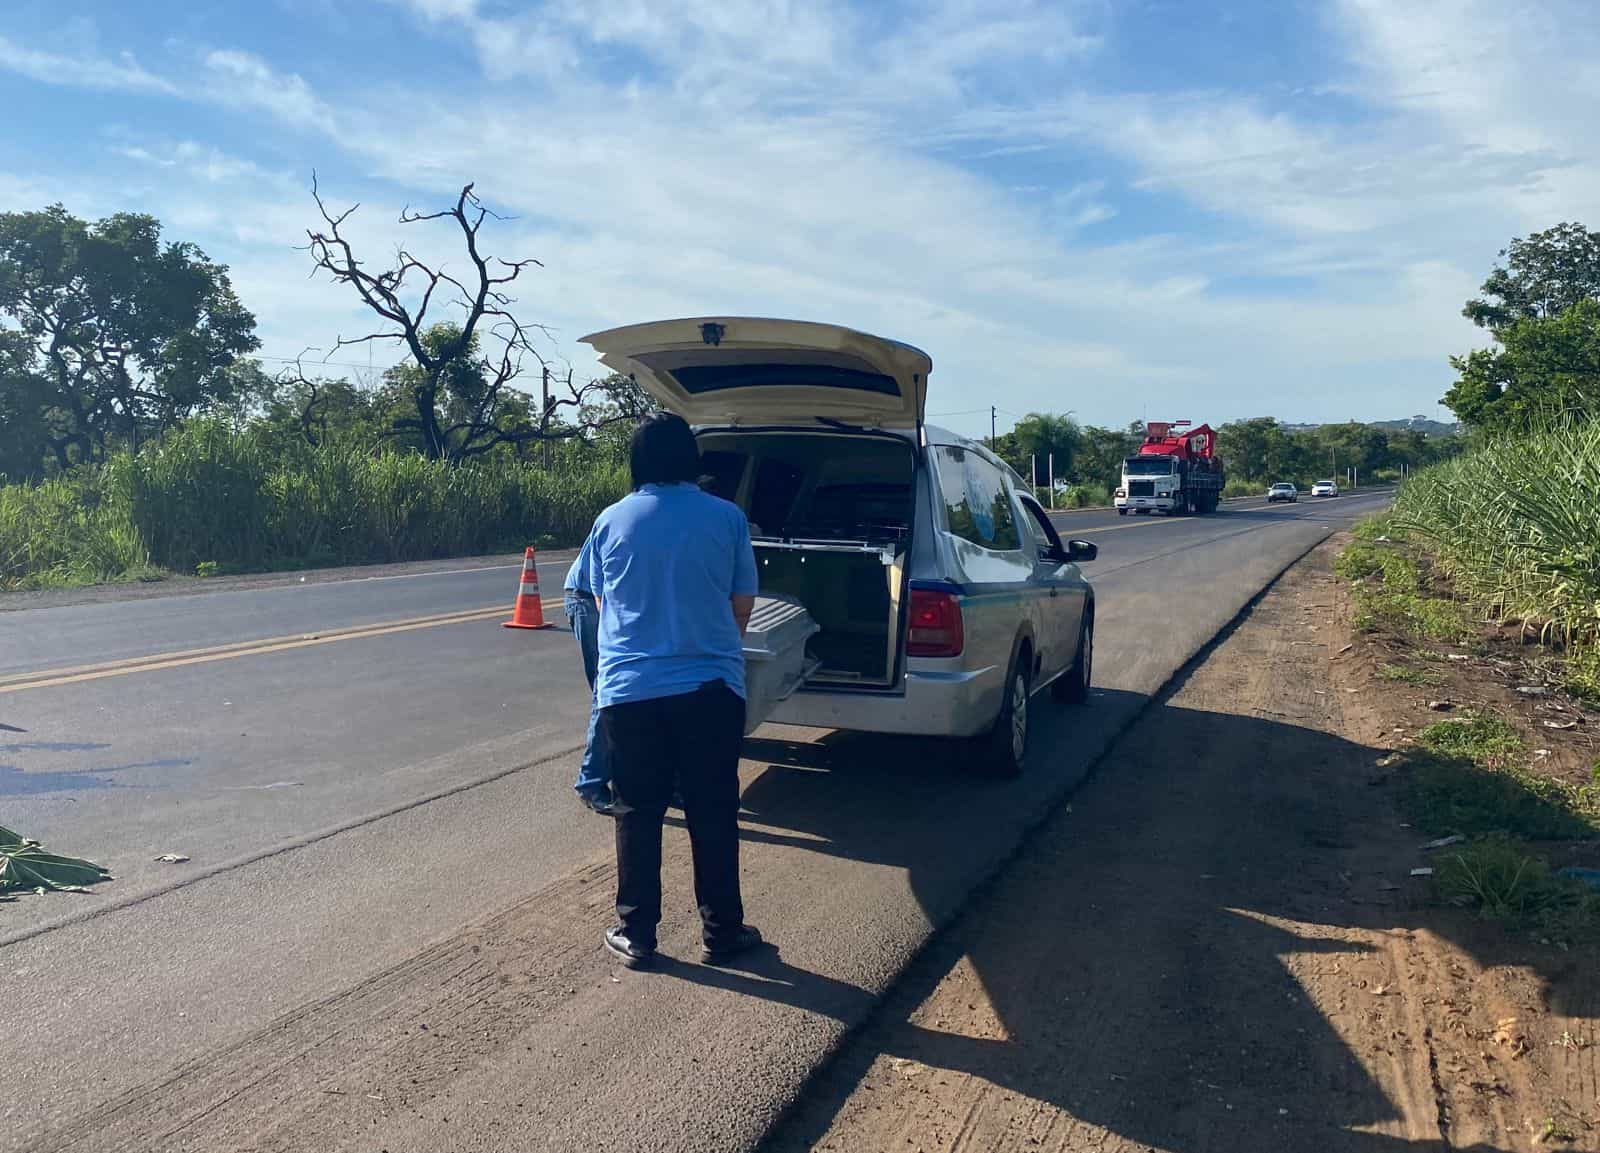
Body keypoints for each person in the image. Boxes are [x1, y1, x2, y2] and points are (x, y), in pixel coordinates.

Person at [587, 412, 764, 970]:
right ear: (692, 460)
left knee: (637, 810)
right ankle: (723, 933)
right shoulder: (727, 518)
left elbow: (602, 604)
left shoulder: (610, 521)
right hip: (710, 688)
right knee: (712, 809)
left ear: (636, 462)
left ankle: (637, 933)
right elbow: (741, 607)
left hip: (631, 692)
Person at [564, 533, 614, 815]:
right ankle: (590, 783)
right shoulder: (623, 519)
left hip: (600, 599)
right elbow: (599, 586)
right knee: (607, 691)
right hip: (588, 600)